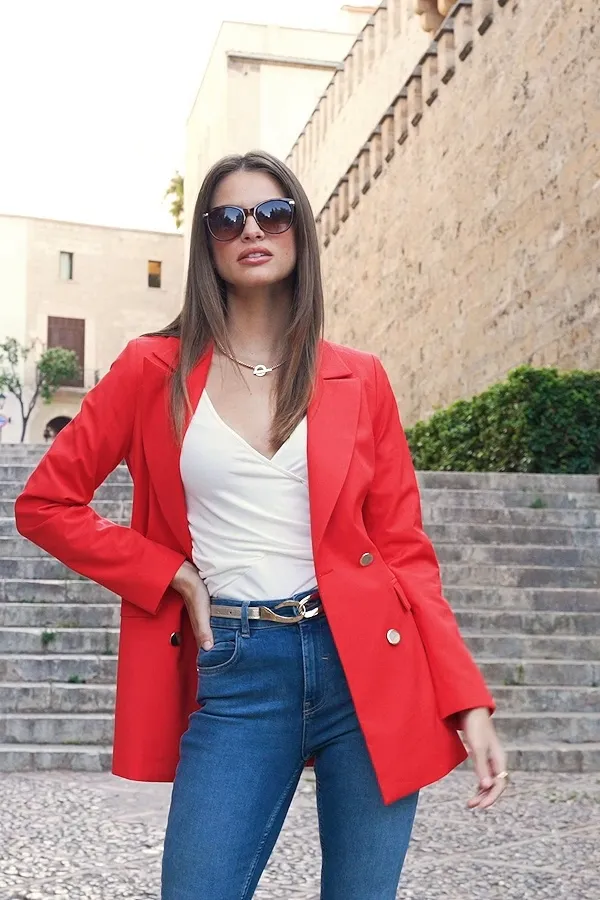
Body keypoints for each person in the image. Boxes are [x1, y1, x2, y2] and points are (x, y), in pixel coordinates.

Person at [14, 150, 508, 899]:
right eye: (228, 218)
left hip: (366, 662)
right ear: (208, 244)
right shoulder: (154, 371)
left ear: (299, 233)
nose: (253, 228)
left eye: (272, 212)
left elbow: (405, 551)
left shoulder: (360, 378)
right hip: (240, 667)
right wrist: (170, 573)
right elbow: (46, 504)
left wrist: (465, 698)